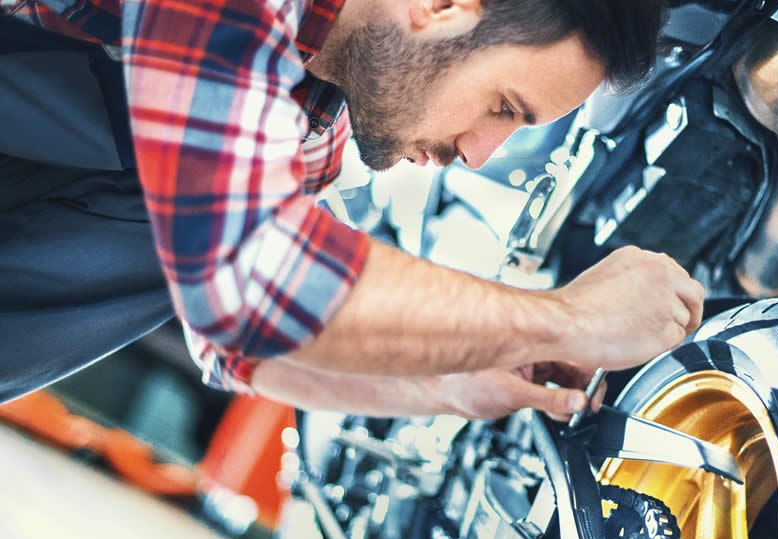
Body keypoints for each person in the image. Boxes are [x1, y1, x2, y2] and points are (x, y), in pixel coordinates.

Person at [0, 0, 704, 419]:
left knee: (176, 238)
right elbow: (250, 282)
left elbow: (238, 344)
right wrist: (568, 320)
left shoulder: (310, 131)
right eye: (501, 107)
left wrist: (447, 383)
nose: (480, 151)